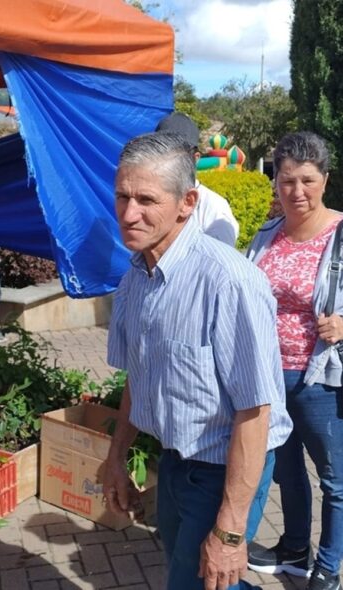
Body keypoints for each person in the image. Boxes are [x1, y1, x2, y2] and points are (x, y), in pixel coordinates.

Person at [102, 131, 292, 590]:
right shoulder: (136, 277)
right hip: (173, 460)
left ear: (187, 203)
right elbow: (137, 375)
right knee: (197, 575)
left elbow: (255, 410)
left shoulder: (228, 282)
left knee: (201, 577)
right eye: (123, 196)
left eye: (147, 199)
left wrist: (230, 530)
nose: (129, 214)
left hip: (225, 465)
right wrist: (116, 457)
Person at [246, 132, 343, 590]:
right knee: (285, 471)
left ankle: (329, 565)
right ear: (276, 183)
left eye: (307, 180)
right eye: (288, 180)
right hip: (267, 376)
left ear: (325, 180)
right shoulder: (267, 236)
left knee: (335, 479)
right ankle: (294, 548)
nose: (297, 191)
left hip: (319, 378)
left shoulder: (341, 234)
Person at [155, 112, 240, 246]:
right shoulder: (147, 200)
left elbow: (216, 261)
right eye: (161, 151)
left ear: (195, 158)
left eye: (177, 153)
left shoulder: (214, 208)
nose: (168, 160)